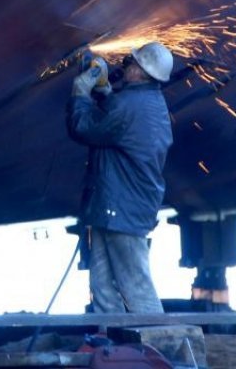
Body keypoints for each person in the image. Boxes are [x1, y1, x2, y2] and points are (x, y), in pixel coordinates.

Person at [66, 42, 174, 313]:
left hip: (121, 210)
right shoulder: (149, 102)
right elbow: (118, 122)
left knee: (136, 286)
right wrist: (105, 94)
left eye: (131, 63)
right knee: (101, 285)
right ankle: (111, 347)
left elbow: (85, 128)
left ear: (140, 71)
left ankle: (166, 347)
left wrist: (81, 93)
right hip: (115, 208)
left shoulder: (128, 105)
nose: (127, 66)